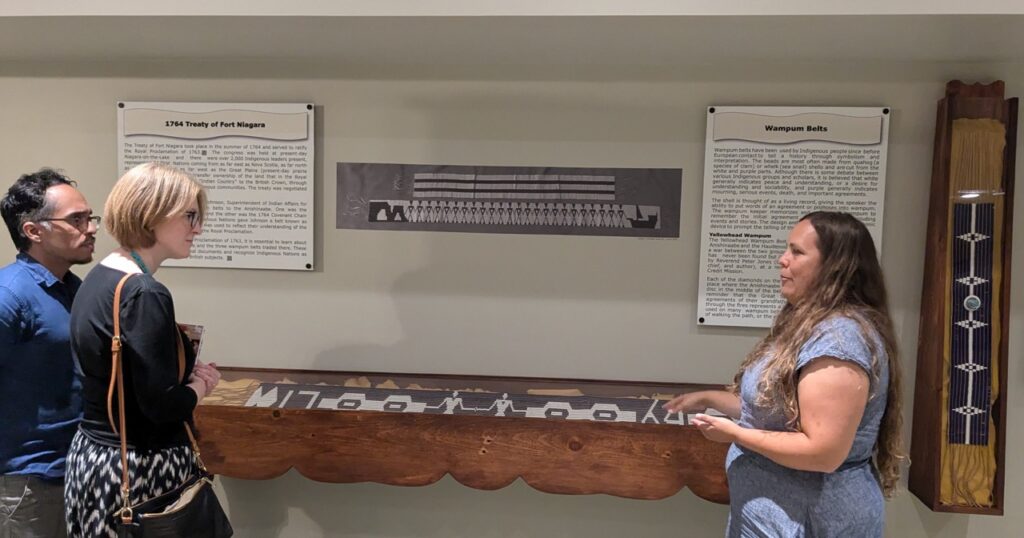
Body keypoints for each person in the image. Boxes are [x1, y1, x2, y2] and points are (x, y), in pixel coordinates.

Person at [664, 211, 904, 537]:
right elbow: (776, 411)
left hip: (811, 521)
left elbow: (823, 453)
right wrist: (710, 399)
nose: (782, 259)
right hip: (780, 518)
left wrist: (735, 434)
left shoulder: (838, 341)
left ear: (834, 266)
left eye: (797, 251)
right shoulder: (812, 326)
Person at [64, 162, 221, 537]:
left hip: (94, 459)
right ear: (151, 214)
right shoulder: (145, 292)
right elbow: (160, 406)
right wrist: (201, 387)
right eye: (189, 216)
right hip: (140, 470)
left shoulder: (100, 276)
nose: (197, 228)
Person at [1, 169, 97, 537]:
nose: (90, 228)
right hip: (25, 480)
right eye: (76, 220)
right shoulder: (9, 295)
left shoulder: (71, 287)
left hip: (71, 468)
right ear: (33, 231)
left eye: (90, 218)